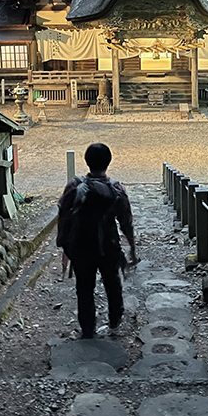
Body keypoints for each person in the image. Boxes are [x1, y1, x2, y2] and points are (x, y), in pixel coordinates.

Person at [56, 143, 136, 339]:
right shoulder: (117, 189)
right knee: (112, 282)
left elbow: (63, 214)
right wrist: (132, 246)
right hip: (109, 245)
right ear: (108, 162)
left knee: (84, 287)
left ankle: (88, 328)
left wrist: (64, 244)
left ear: (86, 161)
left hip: (81, 246)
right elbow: (126, 220)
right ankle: (115, 320)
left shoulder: (75, 186)